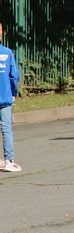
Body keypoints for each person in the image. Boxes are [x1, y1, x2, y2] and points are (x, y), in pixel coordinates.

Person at [0, 23, 21, 172]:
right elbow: (13, 76)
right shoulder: (7, 53)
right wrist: (14, 93)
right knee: (6, 129)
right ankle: (9, 160)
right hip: (4, 97)